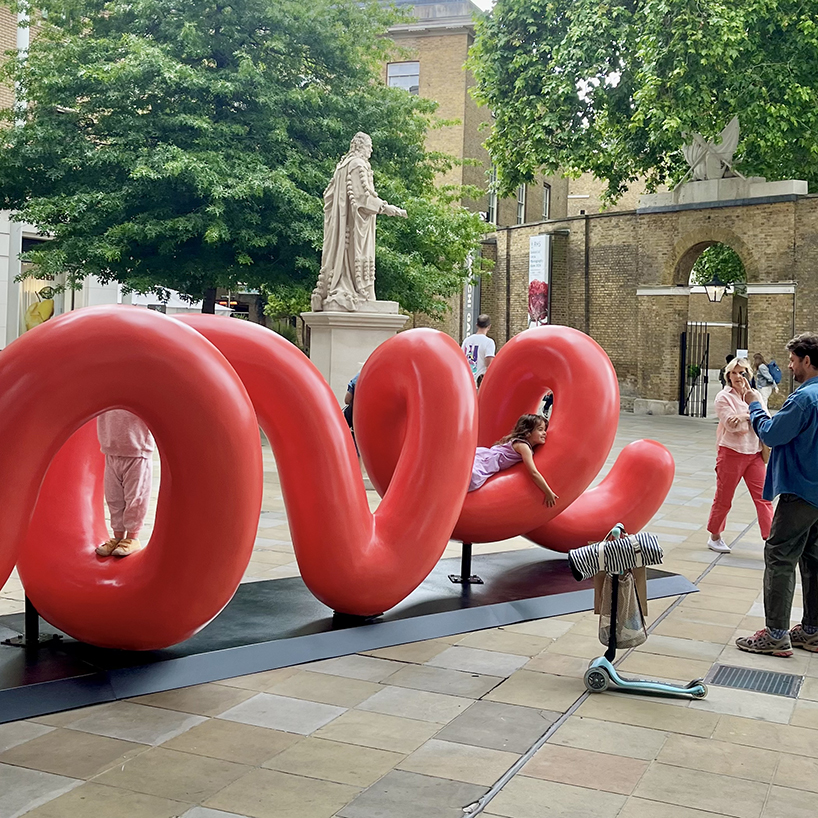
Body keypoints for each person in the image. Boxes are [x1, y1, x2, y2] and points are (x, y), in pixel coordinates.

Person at [734, 333, 818, 657]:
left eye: (793, 360)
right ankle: (812, 631)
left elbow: (771, 432)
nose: (789, 365)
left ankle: (776, 635)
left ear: (807, 361)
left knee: (780, 556)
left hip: (801, 491)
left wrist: (755, 406)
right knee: (813, 559)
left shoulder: (804, 398)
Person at [310, 132, 407, 312]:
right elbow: (362, 197)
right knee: (358, 255)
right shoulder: (357, 164)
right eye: (369, 146)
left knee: (349, 254)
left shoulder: (342, 166)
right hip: (355, 226)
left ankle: (350, 289)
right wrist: (387, 208)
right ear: (361, 146)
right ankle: (359, 292)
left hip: (343, 225)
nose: (371, 150)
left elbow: (329, 196)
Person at [706, 358, 773, 553]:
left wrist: (744, 415)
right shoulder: (723, 397)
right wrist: (752, 415)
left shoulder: (755, 395)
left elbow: (766, 420)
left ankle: (769, 540)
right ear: (728, 375)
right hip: (731, 453)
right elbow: (734, 427)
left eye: (742, 372)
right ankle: (715, 536)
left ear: (748, 375)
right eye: (734, 373)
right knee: (724, 498)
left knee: (764, 498)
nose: (738, 377)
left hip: (754, 454)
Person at [94, 410, 155, 557]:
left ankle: (132, 537)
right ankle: (117, 536)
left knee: (135, 498)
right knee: (113, 498)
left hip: (137, 450)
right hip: (111, 449)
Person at [469, 413, 558, 506]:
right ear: (528, 432)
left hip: (483, 456)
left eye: (544, 430)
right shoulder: (524, 447)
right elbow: (533, 473)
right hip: (485, 462)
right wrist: (548, 492)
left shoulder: (520, 443)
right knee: (471, 479)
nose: (545, 433)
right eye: (540, 430)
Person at [462, 314, 495, 385]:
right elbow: (489, 363)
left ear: (476, 325)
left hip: (466, 381)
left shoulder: (466, 340)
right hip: (479, 382)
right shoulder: (489, 342)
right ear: (489, 326)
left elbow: (461, 358)